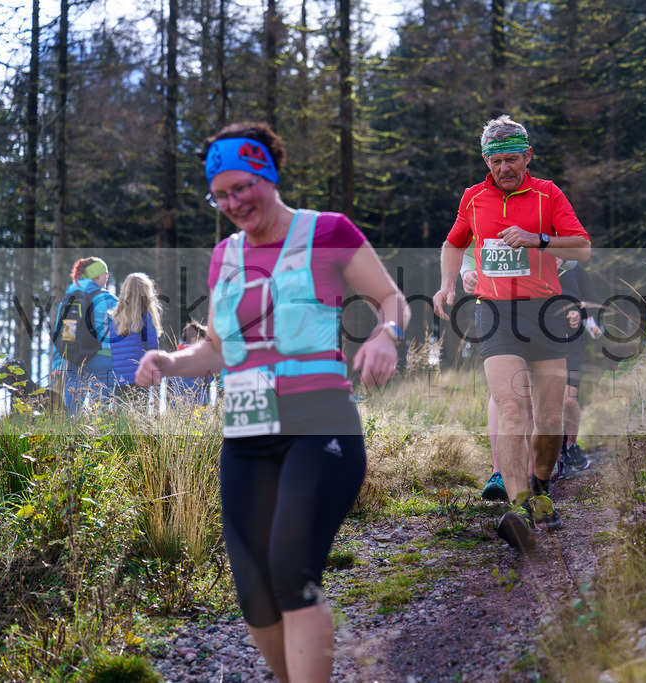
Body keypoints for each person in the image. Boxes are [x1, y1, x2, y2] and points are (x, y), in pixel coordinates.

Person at [135, 121, 409, 683]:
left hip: (320, 425)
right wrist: (168, 362)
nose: (234, 203)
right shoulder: (225, 256)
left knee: (291, 571)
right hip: (246, 436)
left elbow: (390, 298)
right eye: (221, 195)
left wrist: (386, 335)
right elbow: (214, 349)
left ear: (268, 174)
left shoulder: (327, 231)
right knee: (254, 590)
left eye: (242, 188)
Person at [433, 114, 591, 552]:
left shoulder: (547, 194)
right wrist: (447, 284)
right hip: (495, 313)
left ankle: (540, 487)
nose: (505, 168)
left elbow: (582, 247)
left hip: (545, 315)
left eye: (513, 159)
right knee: (511, 406)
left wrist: (538, 239)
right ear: (487, 159)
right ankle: (519, 506)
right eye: (497, 160)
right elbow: (454, 242)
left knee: (550, 419)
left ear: (528, 156)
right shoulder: (473, 197)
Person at [51, 257, 118, 413]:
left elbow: (60, 333)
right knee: (100, 414)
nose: (107, 277)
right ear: (100, 275)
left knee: (72, 414)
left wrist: (57, 363)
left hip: (73, 358)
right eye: (106, 273)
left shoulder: (68, 299)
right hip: (102, 358)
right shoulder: (109, 299)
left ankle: (70, 434)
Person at [557, 260, 602, 474]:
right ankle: (550, 452)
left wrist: (579, 312)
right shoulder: (532, 267)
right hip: (539, 343)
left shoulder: (575, 270)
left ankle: (571, 447)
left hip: (572, 343)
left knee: (567, 400)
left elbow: (593, 303)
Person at [108, 272, 163, 401]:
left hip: (119, 375)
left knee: (122, 415)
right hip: (140, 373)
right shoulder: (145, 317)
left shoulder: (115, 318)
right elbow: (152, 346)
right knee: (138, 414)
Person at [166, 320, 212, 405]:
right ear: (194, 340)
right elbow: (208, 378)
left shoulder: (175, 357)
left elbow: (170, 382)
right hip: (197, 401)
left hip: (177, 402)